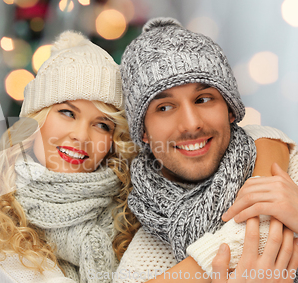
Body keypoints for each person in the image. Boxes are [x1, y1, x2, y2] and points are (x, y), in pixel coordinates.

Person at [0, 30, 294, 283]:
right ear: (33, 121)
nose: (82, 136)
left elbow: (249, 139)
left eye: (102, 123)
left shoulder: (139, 200)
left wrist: (269, 149)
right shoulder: (1, 247)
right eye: (67, 113)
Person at [115, 17, 298, 283]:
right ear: (143, 131)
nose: (191, 124)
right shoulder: (139, 264)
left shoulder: (287, 172)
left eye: (203, 99)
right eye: (164, 107)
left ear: (230, 109)